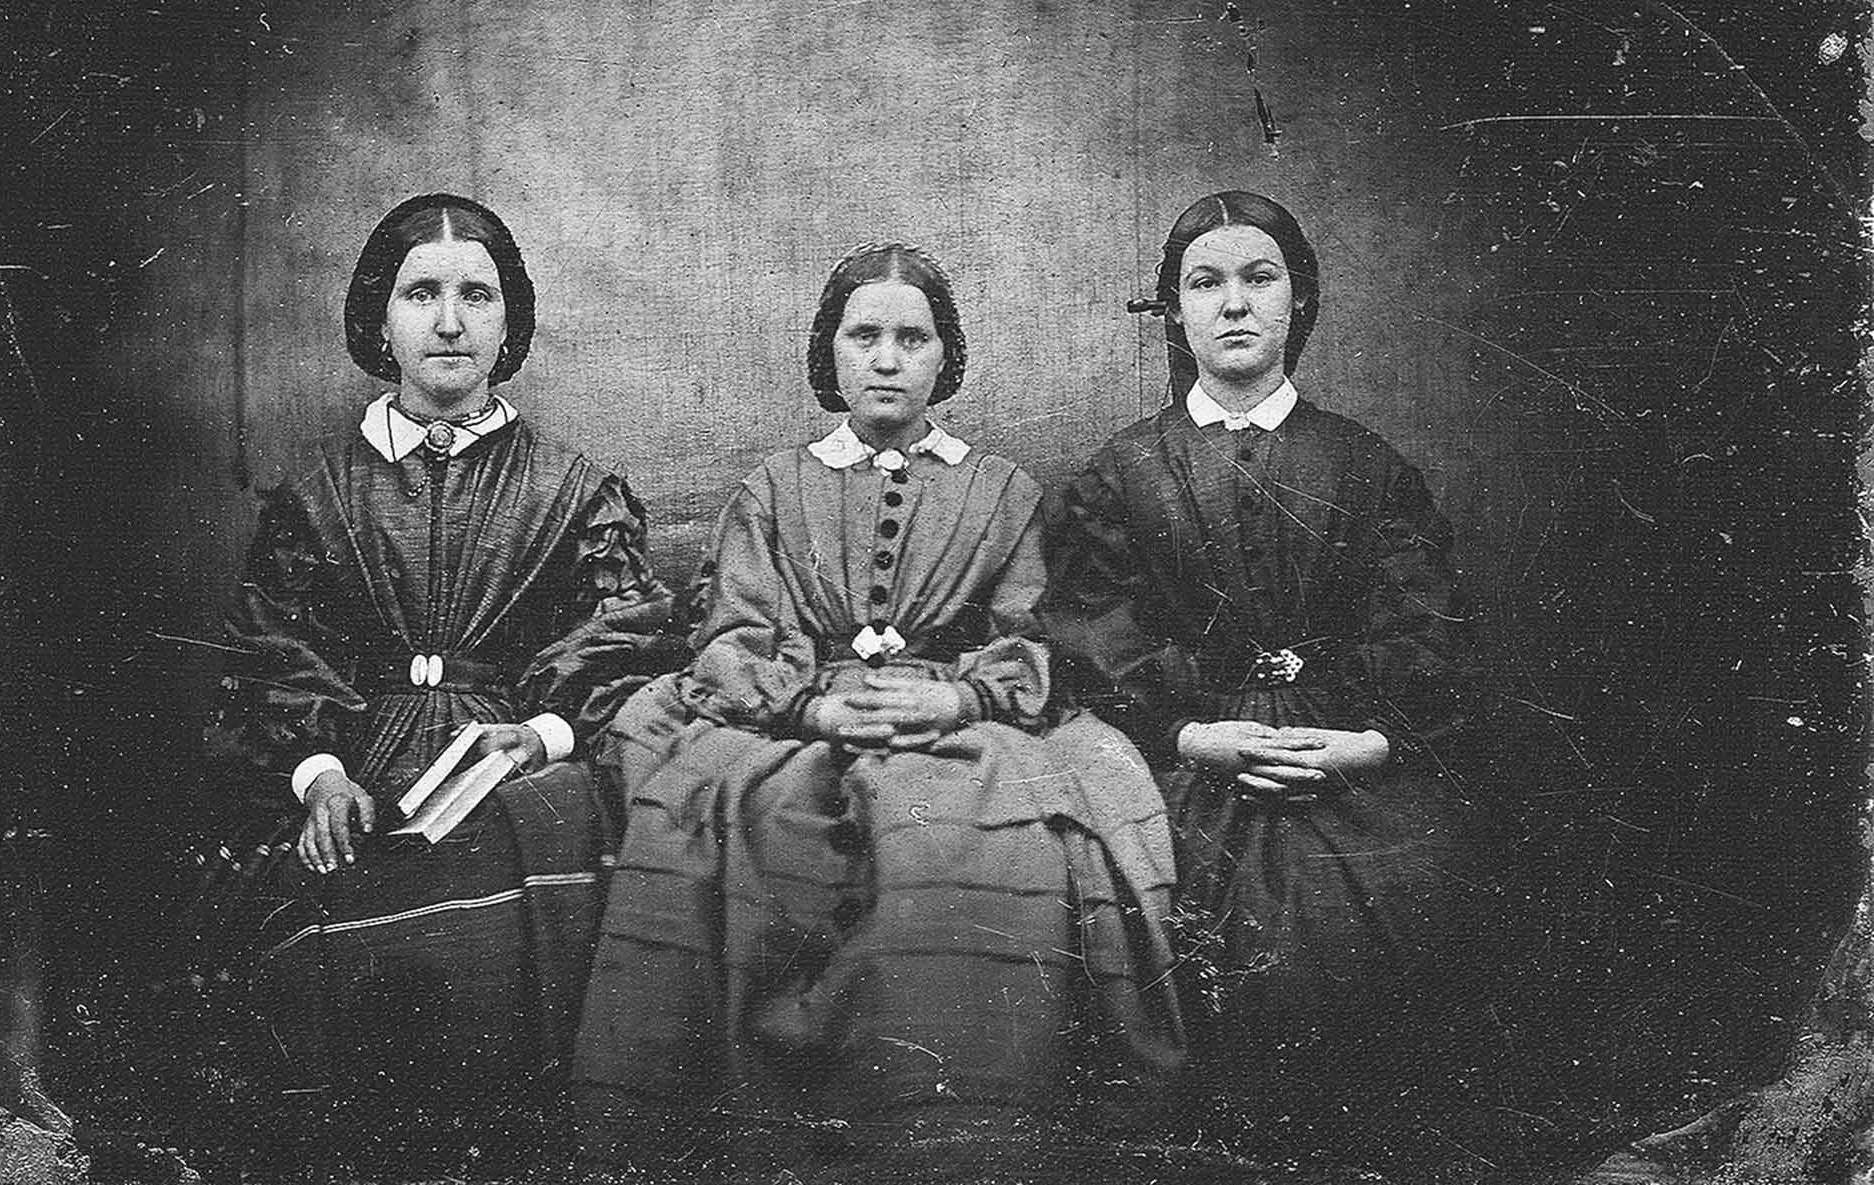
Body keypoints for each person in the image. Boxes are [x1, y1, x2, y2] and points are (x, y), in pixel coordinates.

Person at [572, 243, 1182, 1176]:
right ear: (832, 351)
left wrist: (960, 694)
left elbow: (1029, 633)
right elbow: (734, 637)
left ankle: (955, 1130)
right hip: (798, 722)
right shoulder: (773, 489)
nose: (888, 359)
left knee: (975, 834)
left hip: (957, 723)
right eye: (865, 337)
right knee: (761, 816)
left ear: (946, 355)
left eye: (912, 338)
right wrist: (811, 708)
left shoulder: (1003, 490)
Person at [201, 192, 676, 1170]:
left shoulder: (573, 489)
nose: (451, 322)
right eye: (422, 294)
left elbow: (622, 648)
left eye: (477, 296)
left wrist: (540, 737)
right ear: (379, 319)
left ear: (509, 322)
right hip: (354, 755)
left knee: (537, 876)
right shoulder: (318, 493)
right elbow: (271, 656)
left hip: (512, 761)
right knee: (315, 909)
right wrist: (320, 776)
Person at [1045, 191, 1489, 1171]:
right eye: (1206, 283)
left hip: (1348, 748)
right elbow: (1091, 638)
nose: (1235, 303)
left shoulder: (1366, 465)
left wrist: (1366, 744)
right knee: (1175, 904)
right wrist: (1192, 736)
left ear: (1300, 300)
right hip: (1187, 753)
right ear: (1174, 310)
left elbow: (1427, 634)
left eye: (1260, 278)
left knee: (1416, 883)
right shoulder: (1124, 472)